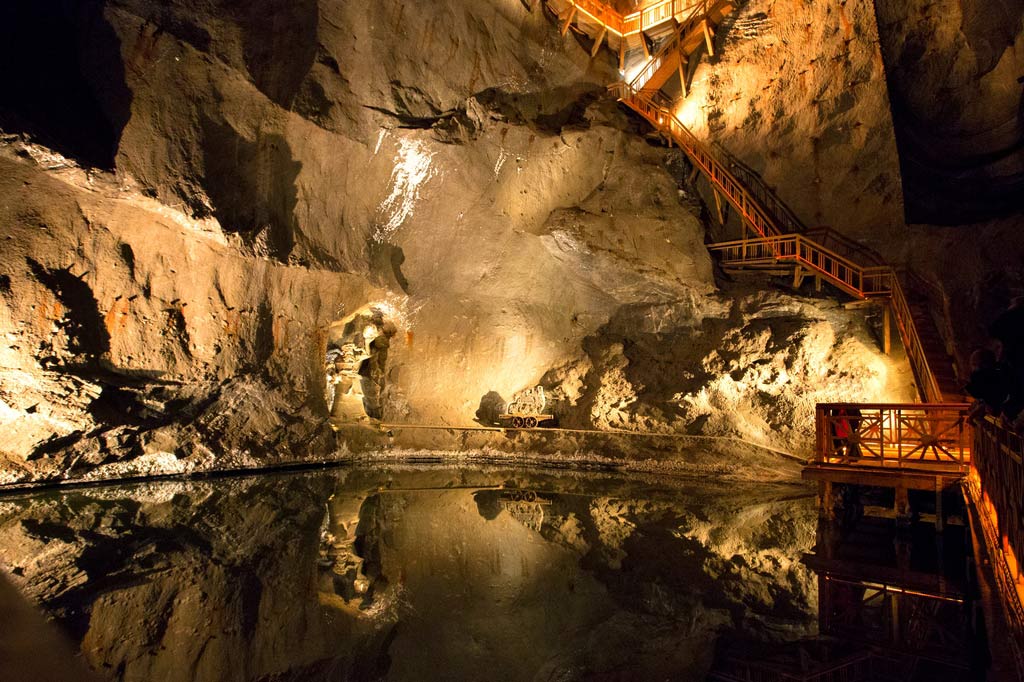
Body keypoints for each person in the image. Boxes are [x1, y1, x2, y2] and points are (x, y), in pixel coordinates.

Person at [964, 348, 1012, 417]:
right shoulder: (994, 377)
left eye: (974, 365)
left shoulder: (1000, 380)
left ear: (984, 365)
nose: (972, 369)